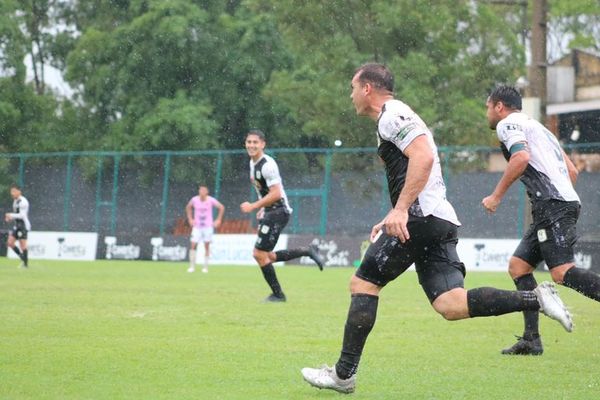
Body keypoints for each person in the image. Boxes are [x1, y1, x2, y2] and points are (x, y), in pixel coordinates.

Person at [301, 64, 572, 394]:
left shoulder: (392, 114)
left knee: (364, 283)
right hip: (436, 218)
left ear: (368, 88)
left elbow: (424, 157)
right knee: (451, 304)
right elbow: (414, 169)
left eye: (353, 87)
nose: (351, 94)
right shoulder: (395, 116)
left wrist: (402, 210)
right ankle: (536, 299)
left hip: (421, 217)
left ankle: (343, 376)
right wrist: (394, 211)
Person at [482, 85, 600, 355]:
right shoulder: (539, 128)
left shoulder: (507, 124)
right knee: (518, 267)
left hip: (552, 205)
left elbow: (521, 157)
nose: (487, 113)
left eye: (488, 107)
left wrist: (496, 196)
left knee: (561, 272)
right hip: (559, 203)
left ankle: (532, 339)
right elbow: (571, 171)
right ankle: (531, 340)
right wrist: (559, 198)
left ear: (499, 106)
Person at [240, 129, 324, 302]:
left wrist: (254, 206)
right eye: (249, 142)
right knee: (266, 256)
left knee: (259, 254)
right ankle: (307, 251)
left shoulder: (267, 165)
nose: (251, 145)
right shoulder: (252, 162)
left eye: (255, 142)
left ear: (263, 144)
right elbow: (263, 190)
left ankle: (278, 295)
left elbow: (277, 193)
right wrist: (263, 207)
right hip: (272, 211)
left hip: (278, 211)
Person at [185, 185, 225, 273]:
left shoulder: (211, 200)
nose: (202, 192)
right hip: (197, 227)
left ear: (207, 192)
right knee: (193, 244)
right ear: (199, 191)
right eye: (201, 190)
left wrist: (218, 220)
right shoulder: (194, 200)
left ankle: (205, 267)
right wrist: (190, 219)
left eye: (204, 190)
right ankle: (192, 266)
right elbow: (188, 207)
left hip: (208, 227)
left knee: (206, 246)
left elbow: (221, 207)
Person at [5, 184, 31, 268]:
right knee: (10, 243)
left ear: (19, 192)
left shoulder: (23, 201)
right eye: (11, 191)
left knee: (22, 244)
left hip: (23, 225)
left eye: (14, 191)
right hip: (17, 225)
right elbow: (16, 215)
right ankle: (22, 257)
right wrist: (10, 218)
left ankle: (25, 264)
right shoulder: (15, 201)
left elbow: (22, 215)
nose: (12, 193)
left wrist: (10, 215)